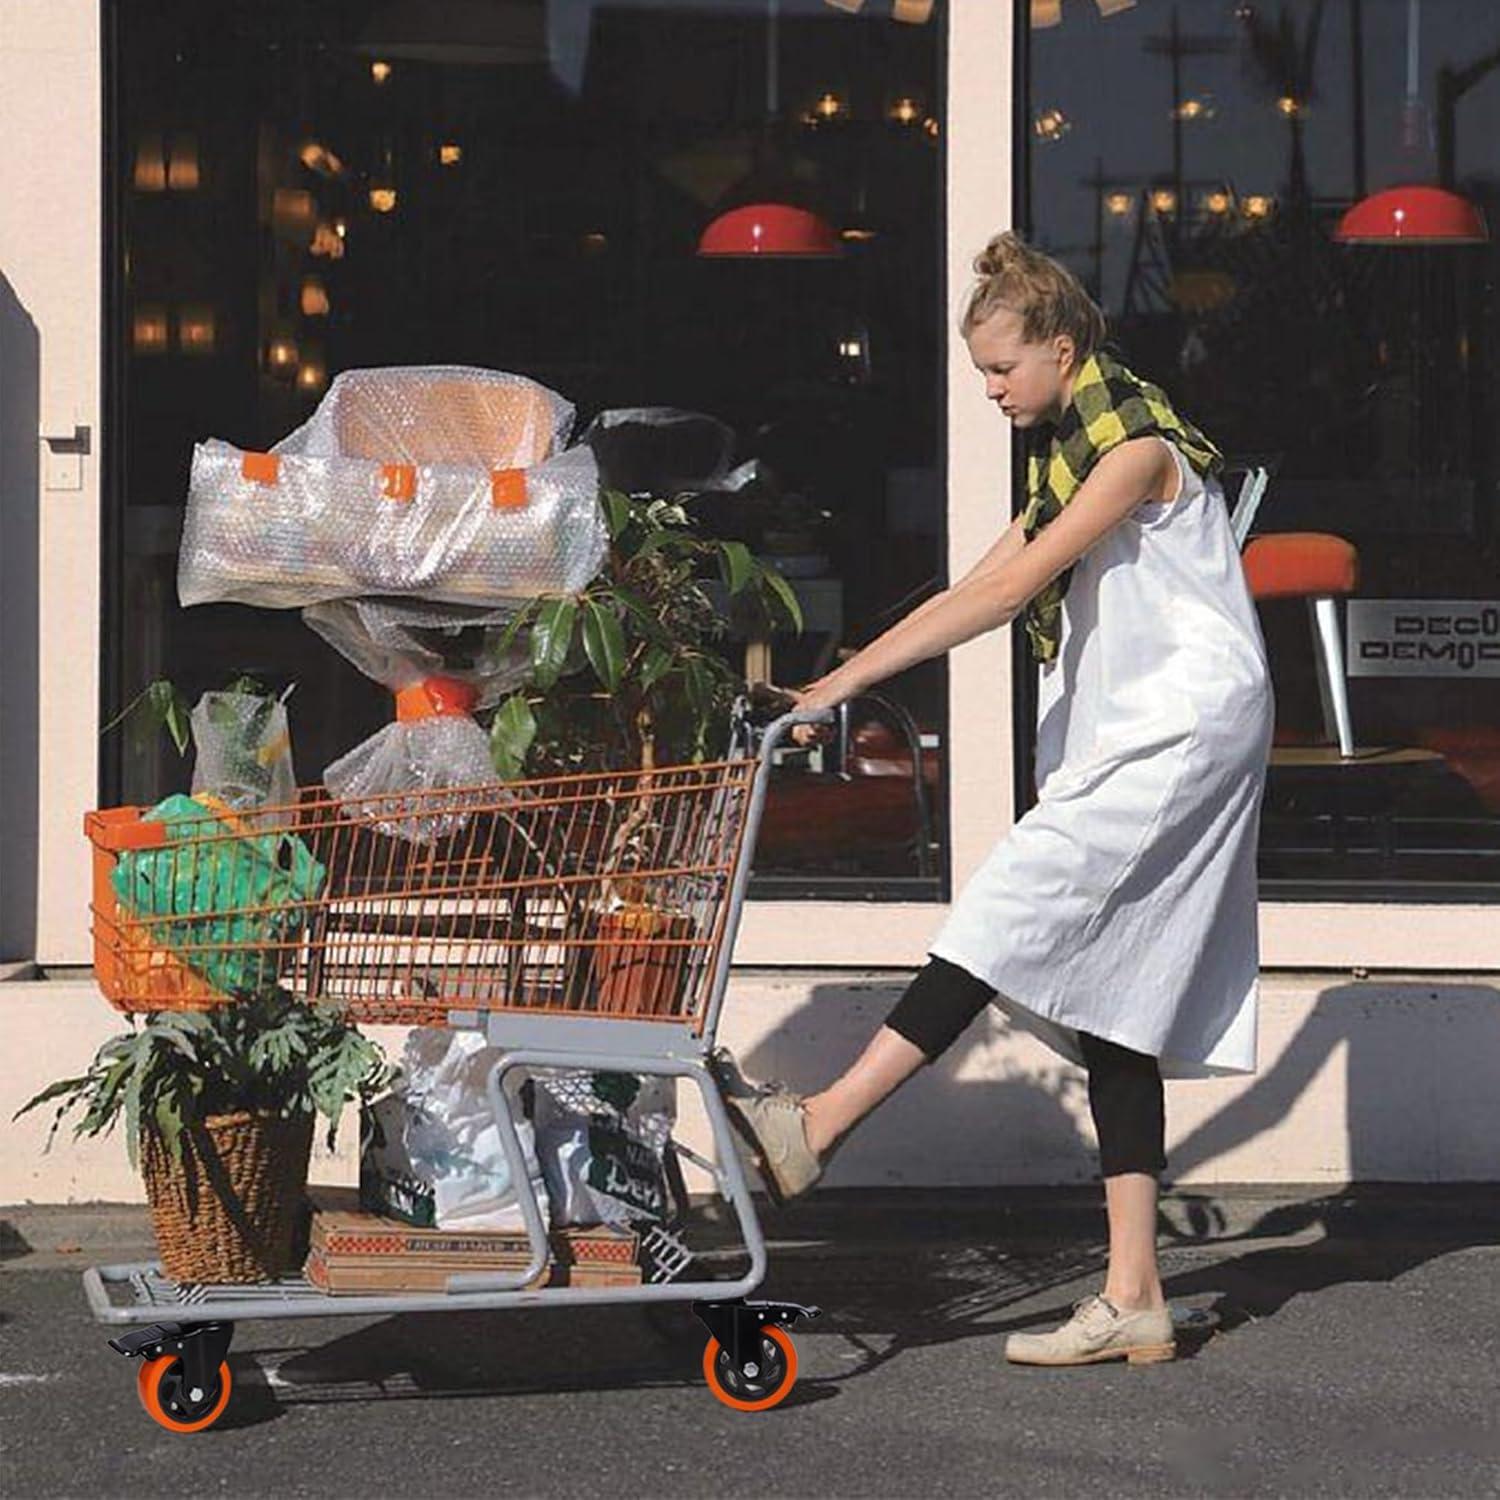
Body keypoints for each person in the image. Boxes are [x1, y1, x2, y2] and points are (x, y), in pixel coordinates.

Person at [723, 230, 1275, 1369]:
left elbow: (1017, 587)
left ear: (1060, 350)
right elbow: (981, 580)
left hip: (1181, 729)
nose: (989, 393)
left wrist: (856, 677)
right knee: (1113, 1003)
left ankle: (819, 1125)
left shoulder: (1132, 447)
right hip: (1145, 727)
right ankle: (1134, 1295)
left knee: (1004, 908)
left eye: (1002, 371)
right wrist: (840, 677)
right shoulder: (1073, 449)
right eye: (981, 373)